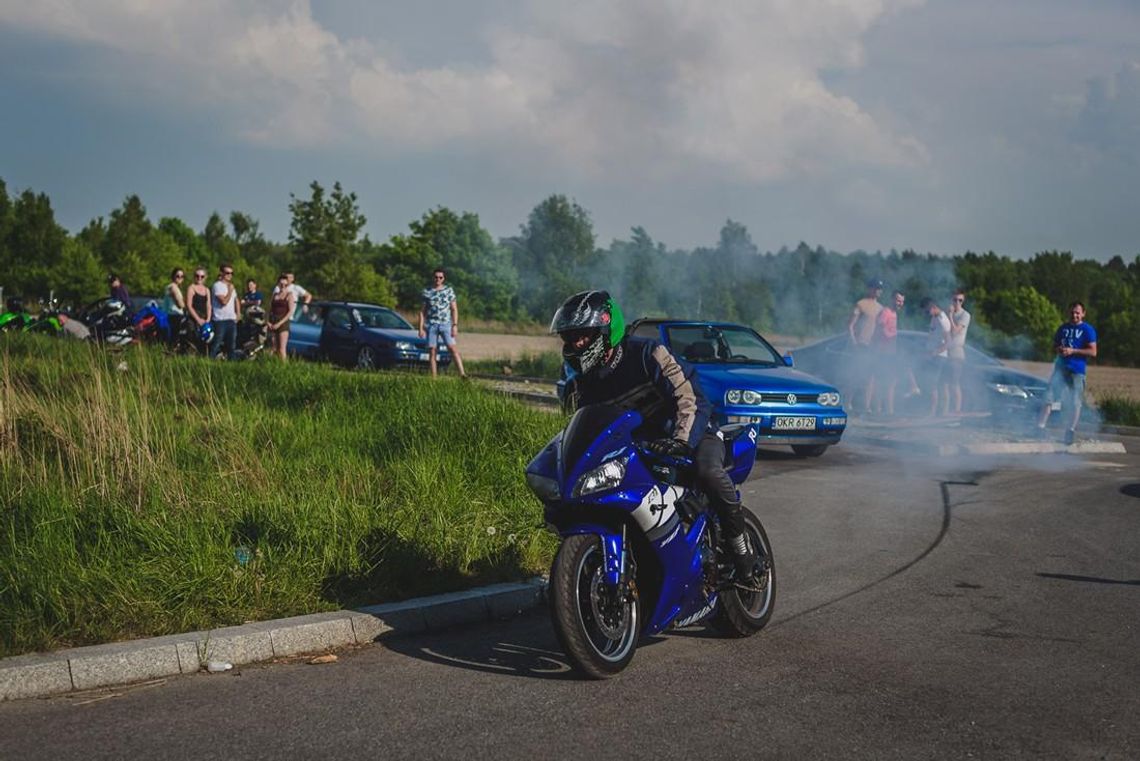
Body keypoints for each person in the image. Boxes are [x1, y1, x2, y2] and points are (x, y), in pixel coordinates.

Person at [551, 289, 761, 588]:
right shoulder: (581, 385)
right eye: (570, 337)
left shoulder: (648, 354)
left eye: (583, 335)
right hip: (644, 448)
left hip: (694, 433)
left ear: (605, 329)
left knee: (707, 473)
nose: (576, 343)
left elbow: (686, 397)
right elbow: (580, 429)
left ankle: (742, 552)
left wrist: (681, 440)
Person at [1037, 302, 1097, 445]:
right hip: (1060, 369)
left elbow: (1093, 351)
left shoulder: (1087, 329)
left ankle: (1070, 431)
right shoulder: (1063, 328)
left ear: (1083, 313)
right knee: (1049, 397)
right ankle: (1040, 427)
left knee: (1075, 402)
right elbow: (1055, 345)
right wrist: (1060, 349)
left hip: (1077, 370)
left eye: (1077, 312)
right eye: (1072, 312)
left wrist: (1073, 351)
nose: (1074, 315)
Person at [418, 268, 467, 379]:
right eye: (436, 277)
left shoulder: (448, 291)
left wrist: (455, 325)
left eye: (440, 277)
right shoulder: (427, 292)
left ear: (443, 278)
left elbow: (454, 309)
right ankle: (434, 378)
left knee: (452, 348)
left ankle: (463, 375)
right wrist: (420, 328)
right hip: (431, 325)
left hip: (446, 324)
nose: (438, 279)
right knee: (432, 351)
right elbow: (422, 311)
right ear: (433, 277)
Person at [847, 278, 884, 415]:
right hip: (861, 345)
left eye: (880, 288)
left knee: (870, 378)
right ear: (870, 288)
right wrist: (854, 343)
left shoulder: (881, 308)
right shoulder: (861, 304)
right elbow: (850, 325)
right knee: (856, 375)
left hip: (873, 347)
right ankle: (847, 403)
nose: (878, 291)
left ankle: (866, 407)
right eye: (876, 288)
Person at [872, 290, 904, 416]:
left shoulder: (894, 313)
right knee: (886, 382)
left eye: (902, 301)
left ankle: (885, 411)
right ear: (892, 299)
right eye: (898, 300)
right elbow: (880, 328)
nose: (900, 303)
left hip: (889, 353)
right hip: (882, 353)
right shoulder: (886, 312)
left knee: (889, 382)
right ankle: (883, 411)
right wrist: (893, 334)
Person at [920, 297, 951, 417]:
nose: (927, 314)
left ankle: (932, 413)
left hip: (939, 358)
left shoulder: (942, 320)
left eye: (927, 311)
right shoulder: (935, 317)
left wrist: (934, 353)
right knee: (932, 384)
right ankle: (935, 411)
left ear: (933, 307)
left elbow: (948, 342)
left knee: (932, 384)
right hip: (932, 356)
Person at [947, 289, 972, 414]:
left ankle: (956, 411)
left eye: (960, 300)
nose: (957, 302)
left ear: (963, 301)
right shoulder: (946, 313)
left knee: (954, 383)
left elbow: (955, 331)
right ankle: (946, 410)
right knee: (945, 383)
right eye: (955, 300)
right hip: (946, 352)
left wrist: (950, 316)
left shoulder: (965, 315)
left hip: (957, 353)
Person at [210, 263, 239, 359]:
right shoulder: (217, 286)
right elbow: (224, 302)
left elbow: (236, 300)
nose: (230, 275)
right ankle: (209, 362)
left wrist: (238, 313)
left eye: (231, 273)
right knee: (216, 344)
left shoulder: (231, 286)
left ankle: (232, 364)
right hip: (220, 320)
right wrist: (230, 291)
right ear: (221, 273)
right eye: (227, 273)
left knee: (232, 346)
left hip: (231, 319)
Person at [267, 273, 296, 361]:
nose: (283, 286)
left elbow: (291, 311)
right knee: (272, 347)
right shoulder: (275, 295)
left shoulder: (289, 295)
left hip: (283, 322)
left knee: (281, 349)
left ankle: (284, 369)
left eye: (285, 285)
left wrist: (280, 323)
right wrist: (267, 321)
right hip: (273, 321)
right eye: (281, 284)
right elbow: (269, 308)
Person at [186, 268, 212, 343]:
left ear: (205, 277)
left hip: (204, 317)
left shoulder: (207, 290)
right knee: (192, 336)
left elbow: (208, 305)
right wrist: (198, 319)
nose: (199, 278)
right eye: (197, 276)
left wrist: (208, 319)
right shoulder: (191, 288)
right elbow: (189, 305)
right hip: (193, 317)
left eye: (202, 276)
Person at [162, 268, 187, 339]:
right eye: (177, 276)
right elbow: (180, 305)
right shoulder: (172, 287)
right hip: (174, 316)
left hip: (173, 315)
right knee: (175, 339)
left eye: (182, 276)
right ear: (173, 276)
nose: (180, 278)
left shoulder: (173, 287)